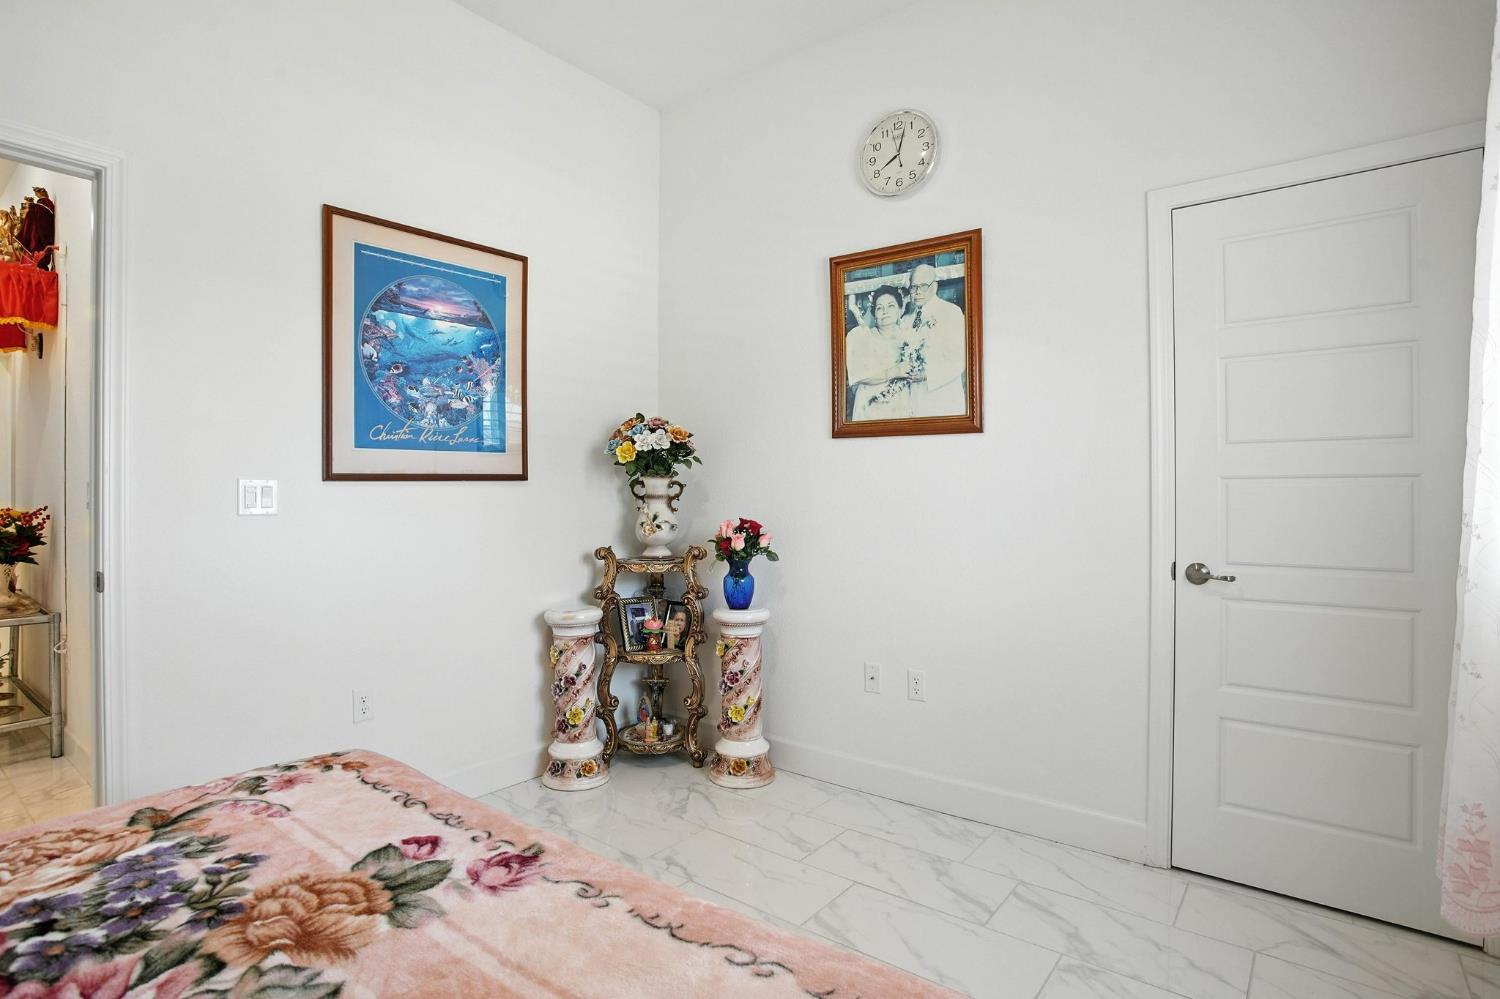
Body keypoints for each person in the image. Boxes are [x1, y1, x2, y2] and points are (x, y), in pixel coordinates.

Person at [902, 263, 967, 417]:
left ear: (935, 287)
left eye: (923, 286)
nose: (917, 292)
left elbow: (960, 359)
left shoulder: (950, 312)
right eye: (913, 287)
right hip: (914, 400)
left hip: (943, 398)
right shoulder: (906, 319)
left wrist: (927, 375)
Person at [845, 284, 918, 420]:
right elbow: (859, 376)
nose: (885, 311)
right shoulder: (862, 337)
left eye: (891, 306)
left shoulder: (910, 336)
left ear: (900, 310)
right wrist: (894, 372)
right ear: (874, 314)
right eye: (879, 308)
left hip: (900, 403)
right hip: (870, 405)